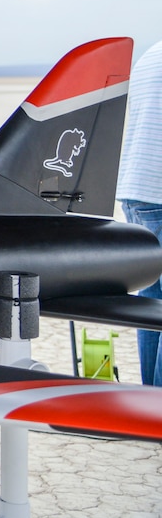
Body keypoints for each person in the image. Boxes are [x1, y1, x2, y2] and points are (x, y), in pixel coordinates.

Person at [117, 39, 162, 386]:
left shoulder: (153, 54)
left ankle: (152, 408)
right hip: (158, 190)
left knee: (153, 300)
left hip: (137, 188)